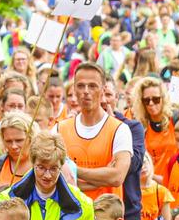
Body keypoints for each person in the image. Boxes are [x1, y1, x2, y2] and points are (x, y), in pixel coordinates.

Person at [55, 63, 132, 203]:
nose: (86, 91)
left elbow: (117, 177)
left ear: (103, 90)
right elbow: (54, 177)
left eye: (92, 86)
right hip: (70, 217)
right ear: (74, 89)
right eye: (80, 86)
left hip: (105, 217)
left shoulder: (120, 129)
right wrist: (102, 177)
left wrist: (72, 170)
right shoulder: (59, 129)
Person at [0, 111, 35, 189]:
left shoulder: (41, 165)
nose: (14, 146)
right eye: (8, 141)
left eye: (19, 140)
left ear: (30, 137)